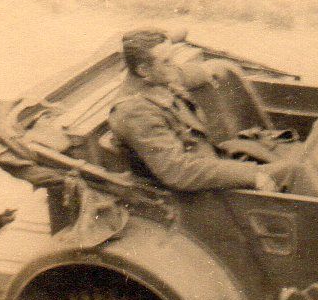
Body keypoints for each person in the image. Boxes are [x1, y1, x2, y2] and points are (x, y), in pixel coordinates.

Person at [108, 29, 289, 192]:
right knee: (295, 172)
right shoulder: (133, 112)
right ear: (143, 70)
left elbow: (183, 74)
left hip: (212, 160)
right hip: (197, 189)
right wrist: (251, 176)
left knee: (294, 164)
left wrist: (210, 70)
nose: (174, 66)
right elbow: (178, 171)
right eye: (166, 62)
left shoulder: (155, 77)